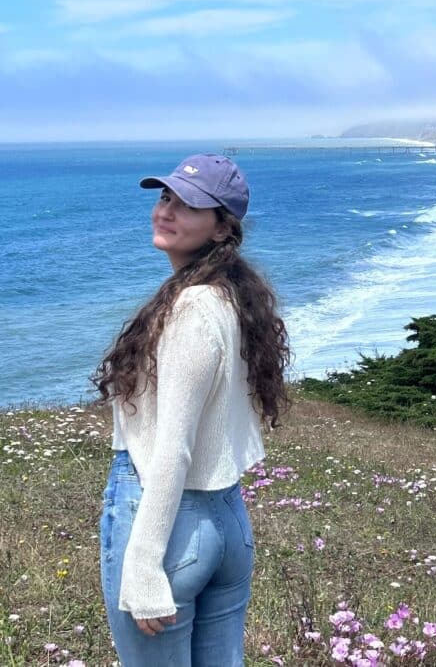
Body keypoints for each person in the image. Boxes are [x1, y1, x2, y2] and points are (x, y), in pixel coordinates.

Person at [92, 153, 289, 667]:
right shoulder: (234, 299)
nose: (166, 211)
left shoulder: (192, 310)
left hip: (170, 525)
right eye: (165, 197)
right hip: (226, 522)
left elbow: (172, 447)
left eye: (188, 205)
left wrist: (142, 562)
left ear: (223, 228)